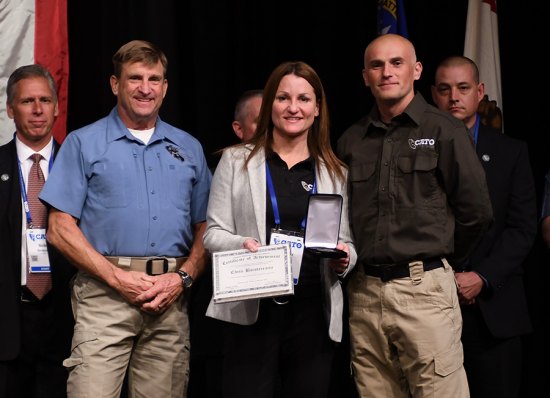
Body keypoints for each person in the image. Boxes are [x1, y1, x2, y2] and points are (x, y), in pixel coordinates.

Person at [39, 40, 211, 398]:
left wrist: (181, 279)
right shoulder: (82, 143)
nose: (145, 88)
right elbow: (58, 228)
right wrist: (118, 279)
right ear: (115, 84)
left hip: (170, 300)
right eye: (135, 78)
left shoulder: (189, 148)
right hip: (104, 297)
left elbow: (206, 228)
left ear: (165, 87)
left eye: (154, 79)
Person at [337, 34, 493, 398]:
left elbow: (477, 212)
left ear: (416, 70)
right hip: (365, 294)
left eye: (396, 63)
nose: (386, 72)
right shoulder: (350, 141)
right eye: (377, 65)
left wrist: (439, 263)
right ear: (365, 76)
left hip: (424, 290)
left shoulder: (445, 130)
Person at [203, 60, 357, 398]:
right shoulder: (235, 161)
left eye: (304, 99)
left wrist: (345, 258)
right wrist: (243, 244)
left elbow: (345, 239)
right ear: (271, 103)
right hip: (252, 309)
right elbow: (211, 234)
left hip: (313, 312)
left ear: (317, 108)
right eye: (283, 98)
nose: (293, 108)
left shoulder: (335, 171)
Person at [432, 55, 536, 397]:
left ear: (479, 92)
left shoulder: (512, 152)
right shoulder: (416, 151)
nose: (453, 98)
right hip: (432, 307)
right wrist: (447, 278)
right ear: (434, 95)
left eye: (463, 88)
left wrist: (482, 278)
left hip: (496, 311)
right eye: (445, 89)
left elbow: (522, 229)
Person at [0, 64, 75, 397]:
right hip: (8, 320)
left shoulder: (81, 165)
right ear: (10, 109)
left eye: (45, 100)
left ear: (57, 107)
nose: (38, 109)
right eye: (27, 101)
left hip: (68, 317)